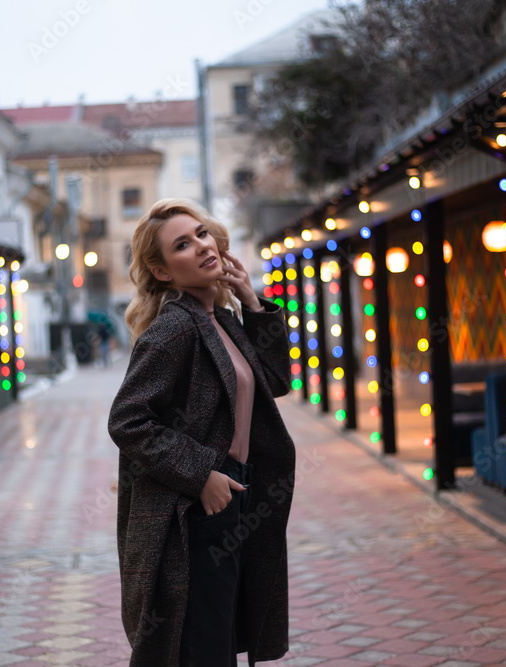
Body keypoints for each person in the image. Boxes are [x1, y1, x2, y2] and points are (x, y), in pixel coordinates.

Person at [108, 198, 297, 666]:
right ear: (163, 270)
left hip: (235, 493)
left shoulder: (221, 320)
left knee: (218, 636)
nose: (201, 247)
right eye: (182, 245)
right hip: (195, 506)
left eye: (202, 234)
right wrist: (202, 474)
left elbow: (276, 382)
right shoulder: (175, 328)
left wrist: (252, 303)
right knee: (201, 645)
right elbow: (127, 419)